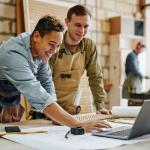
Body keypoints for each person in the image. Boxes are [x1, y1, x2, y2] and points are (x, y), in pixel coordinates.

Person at [0, 15, 111, 131]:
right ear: (37, 36)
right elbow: (36, 94)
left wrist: (55, 116)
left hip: (8, 99)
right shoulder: (13, 54)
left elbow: (46, 81)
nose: (54, 51)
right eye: (52, 44)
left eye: (58, 46)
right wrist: (78, 124)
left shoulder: (39, 51)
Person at [49, 5, 111, 115]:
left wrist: (100, 106)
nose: (82, 31)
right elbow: (45, 79)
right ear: (67, 22)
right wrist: (52, 111)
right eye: (78, 25)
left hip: (71, 111)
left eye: (86, 26)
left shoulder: (89, 46)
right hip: (48, 108)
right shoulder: (54, 44)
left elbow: (95, 77)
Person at [122, 41, 149, 105]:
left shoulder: (135, 56)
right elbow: (134, 69)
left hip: (133, 81)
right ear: (139, 47)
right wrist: (142, 76)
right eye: (142, 48)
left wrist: (143, 76)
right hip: (131, 81)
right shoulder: (132, 56)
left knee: (135, 99)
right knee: (132, 99)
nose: (142, 51)